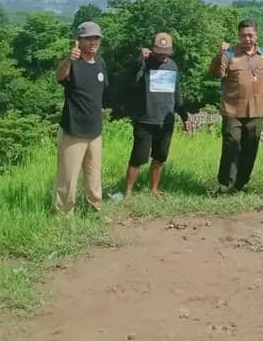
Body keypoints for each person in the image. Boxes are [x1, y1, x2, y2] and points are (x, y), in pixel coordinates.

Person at [209, 18, 263, 194]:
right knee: (231, 148)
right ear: (238, 36)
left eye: (250, 35)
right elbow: (215, 73)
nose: (247, 39)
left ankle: (240, 185)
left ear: (256, 36)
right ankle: (225, 186)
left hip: (256, 112)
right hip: (232, 111)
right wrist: (219, 56)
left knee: (250, 150)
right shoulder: (229, 54)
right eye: (243, 35)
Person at [124, 32, 194, 199]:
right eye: (160, 52)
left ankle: (154, 188)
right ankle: (128, 192)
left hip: (165, 120)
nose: (163, 55)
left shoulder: (172, 66)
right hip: (145, 119)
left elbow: (177, 95)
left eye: (166, 52)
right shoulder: (144, 63)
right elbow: (130, 80)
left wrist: (185, 117)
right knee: (138, 158)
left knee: (160, 157)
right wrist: (138, 60)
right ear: (152, 49)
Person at [52, 21, 110, 214]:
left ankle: (95, 209)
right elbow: (59, 77)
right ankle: (63, 214)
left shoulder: (100, 63)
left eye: (96, 38)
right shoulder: (72, 63)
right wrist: (69, 59)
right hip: (73, 130)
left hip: (95, 131)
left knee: (94, 176)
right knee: (68, 177)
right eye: (88, 38)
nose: (93, 42)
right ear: (79, 41)